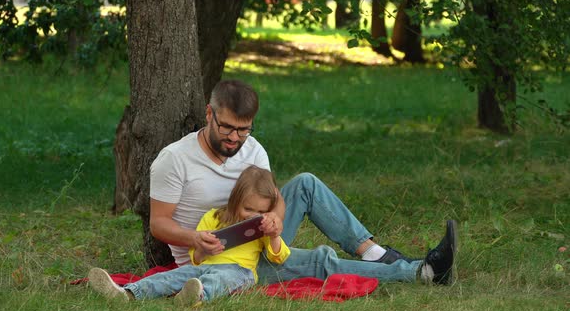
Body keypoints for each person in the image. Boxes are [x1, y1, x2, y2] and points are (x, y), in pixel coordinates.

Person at [148, 79, 456, 287]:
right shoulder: (174, 158)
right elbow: (159, 224)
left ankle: (374, 252)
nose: (234, 138)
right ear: (209, 114)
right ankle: (421, 272)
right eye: (227, 127)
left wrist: (274, 222)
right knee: (320, 260)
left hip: (258, 239)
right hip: (219, 260)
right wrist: (195, 238)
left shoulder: (252, 149)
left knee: (306, 183)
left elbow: (275, 199)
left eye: (243, 130)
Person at [88, 166, 291, 304]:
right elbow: (195, 258)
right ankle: (127, 293)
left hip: (241, 271)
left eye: (262, 211)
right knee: (172, 276)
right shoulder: (213, 217)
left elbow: (279, 257)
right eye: (248, 209)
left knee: (221, 279)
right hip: (204, 266)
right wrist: (203, 249)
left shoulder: (262, 227)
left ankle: (197, 297)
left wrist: (274, 235)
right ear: (235, 200)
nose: (255, 216)